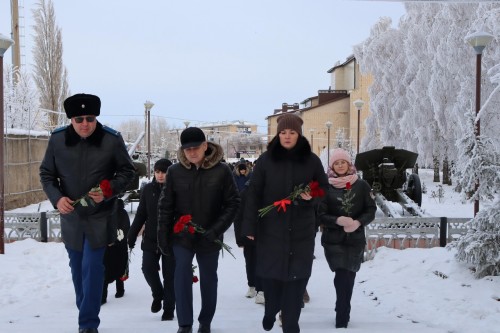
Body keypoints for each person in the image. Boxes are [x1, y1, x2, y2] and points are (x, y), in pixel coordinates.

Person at [39, 93, 136, 333]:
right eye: (79, 118)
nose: (85, 124)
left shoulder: (112, 140)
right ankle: (86, 310)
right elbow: (47, 174)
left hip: (100, 217)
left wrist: (108, 190)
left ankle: (88, 325)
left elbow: (128, 172)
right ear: (71, 119)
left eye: (90, 118)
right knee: (77, 268)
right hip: (71, 217)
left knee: (93, 268)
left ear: (96, 118)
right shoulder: (57, 140)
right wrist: (57, 198)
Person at [241, 113, 328, 333]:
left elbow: (324, 190)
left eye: (291, 133)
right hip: (272, 229)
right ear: (277, 134)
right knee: (272, 279)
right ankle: (271, 310)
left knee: (297, 281)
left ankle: (291, 324)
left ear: (298, 135)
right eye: (283, 132)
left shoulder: (312, 160)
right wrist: (249, 227)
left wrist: (313, 196)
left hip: (301, 231)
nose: (287, 136)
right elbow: (253, 195)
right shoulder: (266, 160)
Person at [157, 127, 240, 333]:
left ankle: (205, 321)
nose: (192, 152)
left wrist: (216, 229)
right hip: (182, 235)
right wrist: (163, 235)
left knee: (209, 279)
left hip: (209, 237)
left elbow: (233, 203)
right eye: (187, 149)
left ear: (205, 146)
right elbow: (166, 205)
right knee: (182, 273)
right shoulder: (175, 172)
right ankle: (184, 323)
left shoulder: (222, 171)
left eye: (196, 148)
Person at [317, 148, 376, 329]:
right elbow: (320, 213)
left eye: (343, 162)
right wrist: (337, 220)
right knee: (342, 274)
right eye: (336, 163)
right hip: (333, 240)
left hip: (355, 239)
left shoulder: (361, 185)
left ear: (349, 164)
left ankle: (342, 305)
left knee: (349, 275)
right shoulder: (326, 187)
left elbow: (370, 210)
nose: (340, 165)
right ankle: (342, 316)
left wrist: (358, 222)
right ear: (332, 166)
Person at [127, 158, 176, 321]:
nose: (160, 175)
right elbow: (141, 214)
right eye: (157, 172)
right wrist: (132, 234)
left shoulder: (176, 189)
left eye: (164, 172)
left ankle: (169, 308)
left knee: (170, 276)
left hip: (171, 240)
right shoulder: (148, 190)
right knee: (148, 268)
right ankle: (158, 294)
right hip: (150, 239)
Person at [233, 179, 264, 302]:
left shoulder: (269, 190)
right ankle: (252, 286)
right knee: (251, 261)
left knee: (263, 261)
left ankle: (262, 290)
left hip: (266, 234)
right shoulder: (245, 192)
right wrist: (240, 238)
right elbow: (238, 216)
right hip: (249, 234)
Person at [102, 198, 130, 304]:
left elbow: (125, 228)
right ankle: (118, 291)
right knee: (118, 267)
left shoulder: (119, 213)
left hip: (114, 245)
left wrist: (112, 239)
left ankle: (108, 295)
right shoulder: (121, 212)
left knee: (108, 269)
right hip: (114, 245)